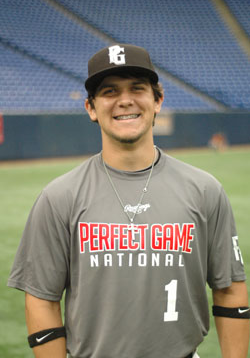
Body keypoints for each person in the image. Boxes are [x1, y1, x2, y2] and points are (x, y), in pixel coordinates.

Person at [8, 44, 249, 358]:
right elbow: (41, 299)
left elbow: (229, 289)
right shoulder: (59, 197)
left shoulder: (205, 190)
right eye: (109, 91)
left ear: (157, 100)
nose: (125, 100)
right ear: (91, 108)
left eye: (138, 88)